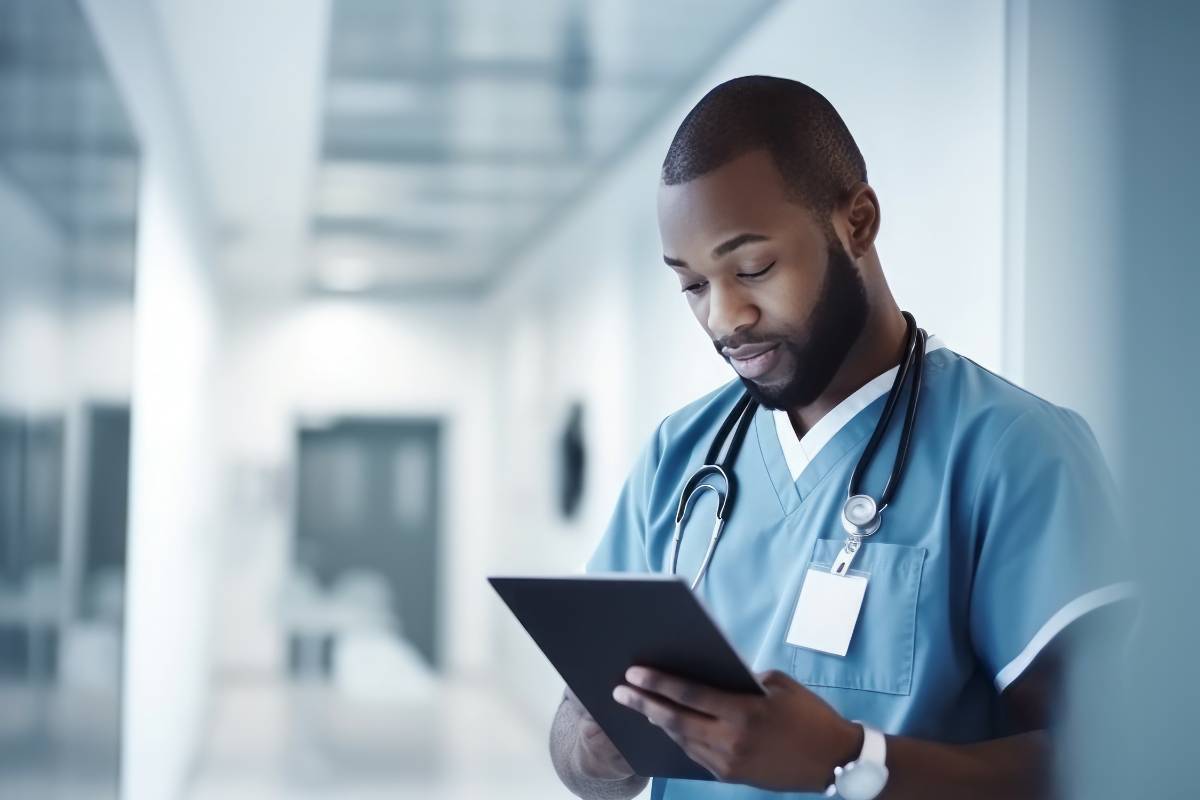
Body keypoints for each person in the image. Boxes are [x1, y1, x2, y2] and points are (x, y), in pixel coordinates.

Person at [547, 75, 1133, 800]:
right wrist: (592, 750)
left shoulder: (1014, 451)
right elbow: (579, 753)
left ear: (856, 223)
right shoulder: (682, 454)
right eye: (693, 286)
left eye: (753, 267)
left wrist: (856, 761)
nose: (725, 317)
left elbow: (1113, 764)